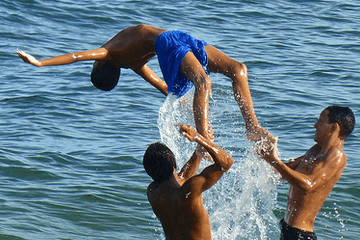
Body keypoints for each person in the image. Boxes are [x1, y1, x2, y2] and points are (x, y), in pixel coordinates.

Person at [17, 24, 274, 143]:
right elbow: (76, 56)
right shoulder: (108, 52)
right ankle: (204, 138)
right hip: (170, 41)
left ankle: (252, 126)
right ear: (99, 66)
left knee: (238, 70)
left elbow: (158, 83)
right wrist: (40, 63)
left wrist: (179, 99)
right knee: (203, 83)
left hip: (178, 38)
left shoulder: (129, 61)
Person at [257, 106, 355, 239]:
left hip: (301, 235)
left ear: (334, 127)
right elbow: (285, 170)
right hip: (288, 228)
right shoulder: (315, 150)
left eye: (320, 121)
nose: (315, 125)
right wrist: (267, 153)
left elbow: (309, 185)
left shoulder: (337, 156)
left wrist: (274, 161)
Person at [143, 124, 234, 239]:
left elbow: (179, 180)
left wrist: (198, 153)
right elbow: (226, 163)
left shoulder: (152, 193)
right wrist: (199, 139)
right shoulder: (191, 190)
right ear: (174, 164)